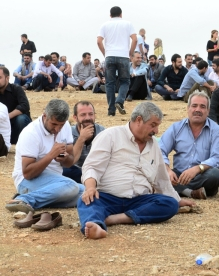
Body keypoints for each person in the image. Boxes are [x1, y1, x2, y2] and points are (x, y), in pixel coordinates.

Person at [77, 102, 195, 239]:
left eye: (157, 126)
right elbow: (92, 166)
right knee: (87, 200)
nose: (156, 131)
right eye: (153, 125)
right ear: (139, 120)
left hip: (138, 201)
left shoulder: (153, 145)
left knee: (169, 204)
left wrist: (177, 201)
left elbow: (161, 179)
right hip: (108, 198)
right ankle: (95, 225)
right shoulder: (110, 135)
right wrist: (90, 188)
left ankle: (114, 219)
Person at [6, 99, 84, 213]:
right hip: (26, 181)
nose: (57, 129)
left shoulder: (65, 126)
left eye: (61, 125)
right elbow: (27, 173)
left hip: (57, 183)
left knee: (89, 194)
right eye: (54, 124)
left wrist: (65, 158)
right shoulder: (31, 133)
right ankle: (23, 199)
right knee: (72, 186)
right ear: (44, 116)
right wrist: (51, 155)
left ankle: (40, 198)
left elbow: (69, 162)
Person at [161, 92, 219, 199]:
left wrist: (197, 169)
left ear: (208, 111)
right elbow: (160, 150)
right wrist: (168, 171)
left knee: (215, 175)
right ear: (188, 108)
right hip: (178, 175)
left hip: (202, 175)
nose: (198, 110)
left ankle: (174, 189)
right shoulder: (176, 128)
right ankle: (191, 193)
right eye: (194, 106)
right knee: (158, 172)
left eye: (202, 107)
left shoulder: (217, 131)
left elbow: (217, 158)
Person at [97, 6, 137, 116]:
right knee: (125, 81)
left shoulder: (104, 25)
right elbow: (135, 39)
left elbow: (99, 41)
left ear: (110, 15)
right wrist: (130, 52)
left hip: (109, 55)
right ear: (121, 14)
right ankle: (119, 101)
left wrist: (105, 53)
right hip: (123, 56)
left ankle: (111, 110)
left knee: (110, 83)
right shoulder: (128, 24)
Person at [62, 102, 106, 184]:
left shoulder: (103, 132)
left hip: (97, 173)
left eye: (91, 114)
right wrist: (81, 138)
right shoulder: (67, 133)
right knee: (65, 171)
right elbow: (69, 162)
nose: (88, 118)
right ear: (75, 117)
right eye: (83, 115)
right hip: (77, 171)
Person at [0, 66, 31, 146]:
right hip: (3, 124)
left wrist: (6, 117)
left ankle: (21, 145)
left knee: (21, 119)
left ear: (7, 78)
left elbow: (24, 106)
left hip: (17, 123)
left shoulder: (17, 89)